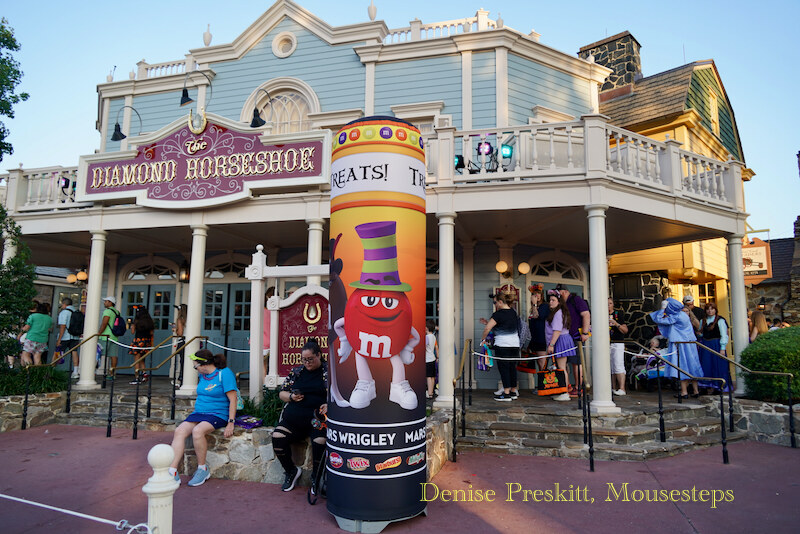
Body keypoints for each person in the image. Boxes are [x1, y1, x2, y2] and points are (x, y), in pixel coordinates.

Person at [169, 349, 237, 487]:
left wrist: (231, 422)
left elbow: (233, 399)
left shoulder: (224, 374)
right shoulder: (203, 376)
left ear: (204, 364)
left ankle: (202, 469)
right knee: (179, 431)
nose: (195, 369)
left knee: (198, 431)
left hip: (218, 413)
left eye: (196, 366)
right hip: (200, 412)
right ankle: (172, 471)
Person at [272, 339, 328, 492]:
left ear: (319, 355)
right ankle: (291, 471)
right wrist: (291, 397)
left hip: (316, 420)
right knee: (277, 437)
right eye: (304, 359)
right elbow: (282, 393)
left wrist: (329, 404)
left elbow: (337, 394)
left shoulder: (328, 372)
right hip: (294, 420)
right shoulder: (297, 372)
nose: (307, 363)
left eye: (310, 359)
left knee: (320, 441)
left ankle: (317, 476)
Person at [650, 298, 703, 399]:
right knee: (692, 365)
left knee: (682, 365)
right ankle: (695, 391)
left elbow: (659, 319)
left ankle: (684, 392)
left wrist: (662, 309)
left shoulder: (677, 316)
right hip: (689, 343)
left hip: (681, 344)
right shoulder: (683, 315)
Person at [481, 290, 521, 402]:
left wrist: (483, 339)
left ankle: (506, 394)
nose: (495, 305)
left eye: (495, 303)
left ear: (500, 302)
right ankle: (513, 391)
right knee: (512, 368)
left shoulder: (497, 314)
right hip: (514, 345)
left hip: (503, 345)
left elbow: (487, 328)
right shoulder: (513, 312)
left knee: (504, 369)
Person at [556, 284, 589, 397]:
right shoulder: (563, 304)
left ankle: (578, 387)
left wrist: (584, 333)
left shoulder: (576, 300)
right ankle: (568, 386)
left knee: (576, 362)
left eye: (559, 294)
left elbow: (586, 315)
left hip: (576, 336)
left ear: (564, 292)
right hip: (565, 337)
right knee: (566, 363)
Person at [545, 290, 575, 402]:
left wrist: (551, 344)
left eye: (553, 300)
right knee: (561, 367)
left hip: (560, 339)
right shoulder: (561, 312)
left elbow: (557, 330)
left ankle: (564, 392)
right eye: (550, 300)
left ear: (559, 302)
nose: (550, 302)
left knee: (561, 368)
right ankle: (561, 390)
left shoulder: (558, 313)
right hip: (563, 339)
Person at [697, 302, 731, 393]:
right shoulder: (702, 321)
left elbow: (724, 335)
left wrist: (723, 348)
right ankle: (704, 387)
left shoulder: (720, 320)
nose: (710, 311)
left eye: (712, 309)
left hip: (716, 345)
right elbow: (701, 333)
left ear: (715, 310)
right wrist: (700, 335)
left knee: (718, 366)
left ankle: (718, 387)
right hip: (705, 346)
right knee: (705, 366)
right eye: (708, 309)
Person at [18, 301, 52, 366]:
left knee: (26, 355)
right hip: (43, 340)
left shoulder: (33, 316)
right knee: (37, 357)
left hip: (31, 338)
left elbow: (27, 327)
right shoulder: (49, 319)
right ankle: (37, 374)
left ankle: (29, 371)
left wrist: (20, 334)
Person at [56, 298, 81, 378]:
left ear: (64, 304)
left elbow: (62, 326)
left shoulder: (64, 313)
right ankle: (76, 371)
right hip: (75, 336)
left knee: (57, 351)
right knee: (74, 352)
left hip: (65, 336)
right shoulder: (76, 312)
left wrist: (59, 339)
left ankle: (52, 369)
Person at [129, 306, 155, 384]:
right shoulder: (149, 322)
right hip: (146, 342)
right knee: (142, 359)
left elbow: (132, 332)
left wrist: (132, 326)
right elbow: (151, 333)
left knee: (137, 360)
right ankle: (144, 374)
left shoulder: (137, 321)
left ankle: (137, 377)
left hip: (138, 341)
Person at [608, 298, 629, 396]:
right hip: (606, 342)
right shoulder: (600, 314)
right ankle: (613, 387)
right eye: (606, 303)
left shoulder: (618, 314)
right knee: (610, 366)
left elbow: (625, 330)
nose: (608, 305)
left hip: (617, 342)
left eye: (610, 303)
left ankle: (622, 388)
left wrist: (616, 323)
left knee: (618, 364)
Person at [528, 285, 550, 372]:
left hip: (542, 338)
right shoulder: (534, 308)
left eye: (538, 294)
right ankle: (541, 384)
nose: (536, 295)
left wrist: (534, 304)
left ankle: (545, 384)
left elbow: (537, 316)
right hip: (534, 339)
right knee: (538, 363)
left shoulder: (545, 306)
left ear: (542, 296)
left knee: (542, 363)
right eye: (534, 294)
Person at [98, 296, 121, 369]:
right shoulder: (116, 312)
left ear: (110, 302)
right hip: (114, 336)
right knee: (113, 355)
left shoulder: (107, 311)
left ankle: (94, 371)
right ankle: (112, 373)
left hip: (106, 336)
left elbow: (104, 323)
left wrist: (99, 333)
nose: (104, 303)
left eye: (106, 301)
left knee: (98, 353)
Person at [172, 304, 187, 386]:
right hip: (189, 341)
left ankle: (181, 378)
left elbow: (180, 333)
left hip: (183, 341)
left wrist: (175, 330)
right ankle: (182, 378)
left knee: (182, 361)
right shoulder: (189, 319)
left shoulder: (180, 319)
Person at [425, 319, 438, 399]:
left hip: (427, 359)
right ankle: (431, 392)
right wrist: (438, 357)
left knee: (428, 377)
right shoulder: (433, 336)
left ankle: (429, 393)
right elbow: (436, 347)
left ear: (426, 328)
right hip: (433, 358)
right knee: (432, 377)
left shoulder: (426, 337)